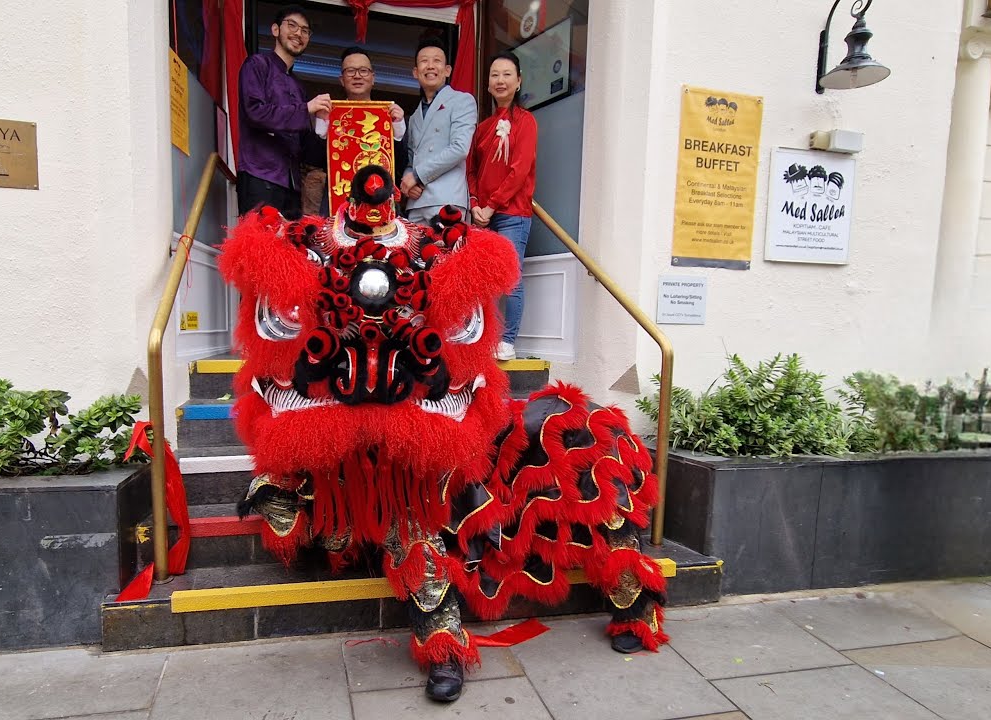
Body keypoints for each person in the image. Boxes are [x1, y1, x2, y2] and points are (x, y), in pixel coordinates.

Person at [222, 164, 669, 705]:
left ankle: (447, 640)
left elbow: (461, 351)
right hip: (340, 436)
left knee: (553, 449)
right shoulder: (310, 242)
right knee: (308, 492)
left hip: (419, 436)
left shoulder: (431, 246)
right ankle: (438, 633)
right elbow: (278, 352)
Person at [467, 51, 538, 362]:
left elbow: (519, 170)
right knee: (481, 282)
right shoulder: (482, 127)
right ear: (487, 84)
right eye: (495, 74)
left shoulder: (527, 121)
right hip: (482, 216)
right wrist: (474, 204)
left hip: (512, 214)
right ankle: (483, 340)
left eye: (507, 74)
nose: (500, 80)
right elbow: (471, 170)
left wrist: (492, 206)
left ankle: (508, 340)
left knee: (511, 279)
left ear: (518, 81)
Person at [236, 4, 331, 219]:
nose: (298, 33)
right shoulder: (257, 65)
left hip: (292, 184)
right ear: (275, 29)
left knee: (287, 249)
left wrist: (324, 127)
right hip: (260, 174)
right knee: (258, 247)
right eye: (292, 25)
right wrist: (305, 109)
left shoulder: (298, 86)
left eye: (305, 30)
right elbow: (255, 112)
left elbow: (305, 144)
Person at [308, 47, 408, 212]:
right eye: (350, 71)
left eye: (363, 71)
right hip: (340, 203)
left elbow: (400, 166)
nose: (357, 76)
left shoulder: (390, 115)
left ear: (373, 78)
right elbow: (314, 161)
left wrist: (397, 127)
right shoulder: (330, 113)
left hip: (380, 205)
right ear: (342, 79)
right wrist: (321, 124)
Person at [400, 38, 476, 225]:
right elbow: (412, 158)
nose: (430, 66)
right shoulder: (415, 115)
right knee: (416, 254)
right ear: (416, 72)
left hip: (447, 199)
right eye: (424, 61)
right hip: (417, 201)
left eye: (437, 61)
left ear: (447, 70)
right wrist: (407, 181)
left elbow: (459, 148)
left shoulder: (462, 101)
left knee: (448, 253)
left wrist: (417, 176)